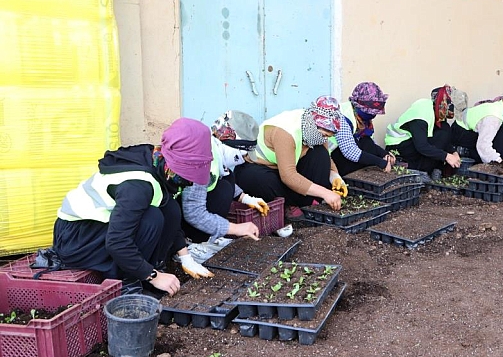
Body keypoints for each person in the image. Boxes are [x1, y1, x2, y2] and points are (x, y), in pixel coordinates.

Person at [52, 118, 215, 297]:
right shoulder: (137, 187)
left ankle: (151, 270)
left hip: (100, 229)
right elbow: (117, 242)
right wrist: (153, 276)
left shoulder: (157, 161)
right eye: (187, 178)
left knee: (171, 210)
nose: (188, 183)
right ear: (173, 168)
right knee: (151, 219)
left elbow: (170, 216)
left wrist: (186, 258)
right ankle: (126, 283)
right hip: (75, 239)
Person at [234, 96, 346, 221]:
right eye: (324, 135)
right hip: (259, 168)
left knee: (320, 154)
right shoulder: (286, 133)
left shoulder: (313, 128)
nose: (325, 139)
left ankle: (305, 202)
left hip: (286, 168)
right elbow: (288, 176)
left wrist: (335, 177)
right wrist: (325, 192)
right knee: (262, 180)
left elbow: (326, 157)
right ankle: (287, 204)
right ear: (314, 126)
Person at [179, 111, 271, 247]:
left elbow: (220, 176)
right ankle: (194, 243)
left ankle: (207, 237)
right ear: (232, 147)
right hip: (178, 216)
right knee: (223, 190)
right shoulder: (202, 161)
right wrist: (235, 228)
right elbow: (193, 213)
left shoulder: (213, 147)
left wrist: (246, 198)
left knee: (227, 180)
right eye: (244, 155)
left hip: (183, 208)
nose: (243, 160)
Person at [384, 85, 461, 180]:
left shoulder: (435, 113)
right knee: (437, 141)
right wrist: (446, 156)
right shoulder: (422, 113)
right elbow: (422, 146)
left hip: (413, 144)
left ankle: (434, 169)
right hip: (399, 147)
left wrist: (453, 152)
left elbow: (443, 140)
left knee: (444, 129)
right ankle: (419, 171)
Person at [329, 82, 396, 176]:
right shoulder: (342, 116)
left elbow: (369, 143)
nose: (373, 115)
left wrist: (384, 154)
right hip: (328, 158)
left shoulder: (363, 119)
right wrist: (380, 163)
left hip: (342, 155)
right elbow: (350, 151)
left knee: (366, 141)